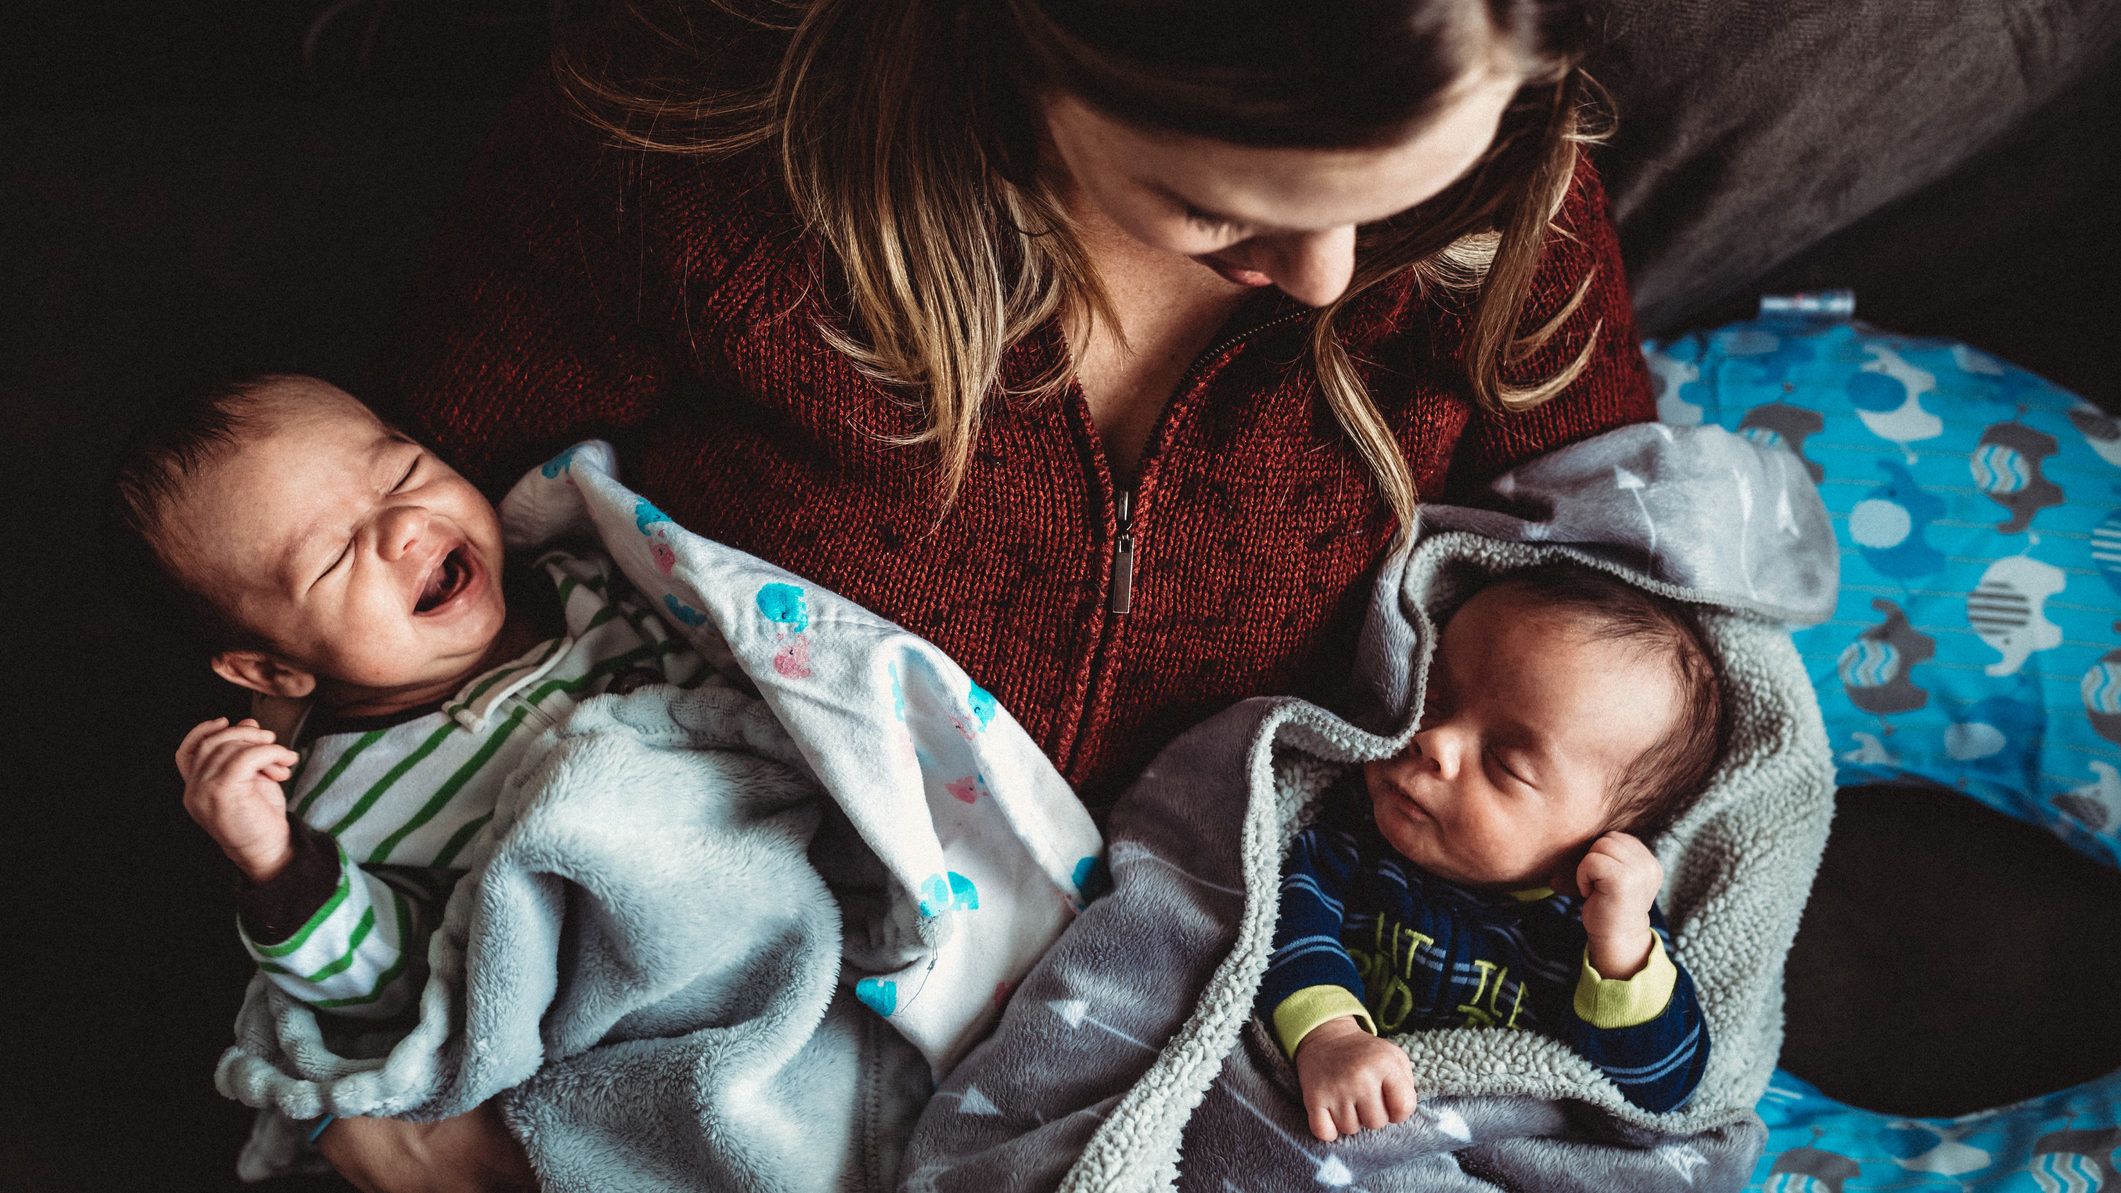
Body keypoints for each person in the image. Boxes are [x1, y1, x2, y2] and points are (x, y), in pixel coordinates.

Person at [332, 0, 1658, 1185]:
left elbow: (1652, 647)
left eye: (1412, 198)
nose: (1327, 273)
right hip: (727, 1011)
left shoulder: (1510, 179)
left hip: (1262, 1021)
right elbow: (347, 585)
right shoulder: (682, 160)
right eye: (1215, 205)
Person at [110, 375, 708, 1024]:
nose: (405, 527)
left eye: (403, 473)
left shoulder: (589, 580)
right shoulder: (341, 803)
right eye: (336, 554)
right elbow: (399, 986)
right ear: (272, 669)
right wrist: (273, 861)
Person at [1258, 564, 1718, 1140]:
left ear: (1606, 839)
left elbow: (1654, 1094)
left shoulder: (1600, 931)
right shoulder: (1346, 844)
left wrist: (1623, 951)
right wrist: (1330, 1037)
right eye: (1435, 699)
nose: (1435, 742)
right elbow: (1284, 930)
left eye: (1504, 763)